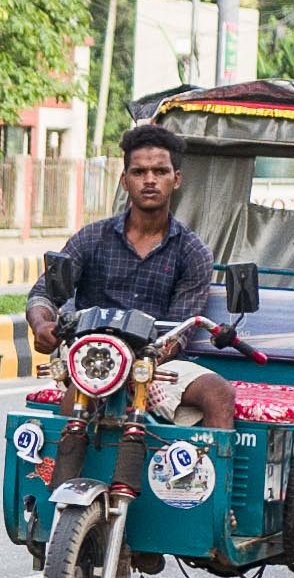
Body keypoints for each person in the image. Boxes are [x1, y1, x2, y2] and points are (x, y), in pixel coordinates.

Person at [31, 135, 238, 417]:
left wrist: (136, 361)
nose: (150, 180)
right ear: (125, 181)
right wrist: (42, 324)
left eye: (160, 171)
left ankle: (208, 451)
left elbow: (178, 331)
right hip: (94, 360)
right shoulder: (91, 238)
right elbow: (44, 293)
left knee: (218, 392)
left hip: (158, 364)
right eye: (139, 172)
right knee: (76, 404)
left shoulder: (193, 251)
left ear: (176, 179)